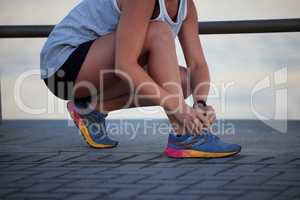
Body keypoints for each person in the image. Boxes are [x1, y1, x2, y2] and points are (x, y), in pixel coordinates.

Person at [40, 0, 241, 158]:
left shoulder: (186, 6)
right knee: (159, 31)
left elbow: (197, 64)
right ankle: (185, 136)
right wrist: (179, 108)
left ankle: (90, 108)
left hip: (96, 68)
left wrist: (200, 103)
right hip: (62, 66)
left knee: (183, 82)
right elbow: (125, 65)